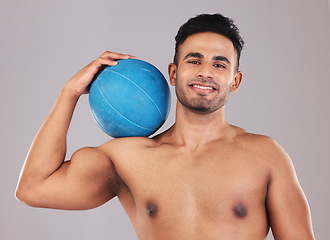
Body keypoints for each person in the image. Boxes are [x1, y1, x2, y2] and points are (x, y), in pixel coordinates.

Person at [16, 13, 315, 239]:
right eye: (194, 61)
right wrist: (69, 92)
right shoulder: (129, 158)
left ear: (234, 81)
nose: (205, 73)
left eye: (220, 65)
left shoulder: (266, 156)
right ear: (173, 73)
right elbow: (33, 188)